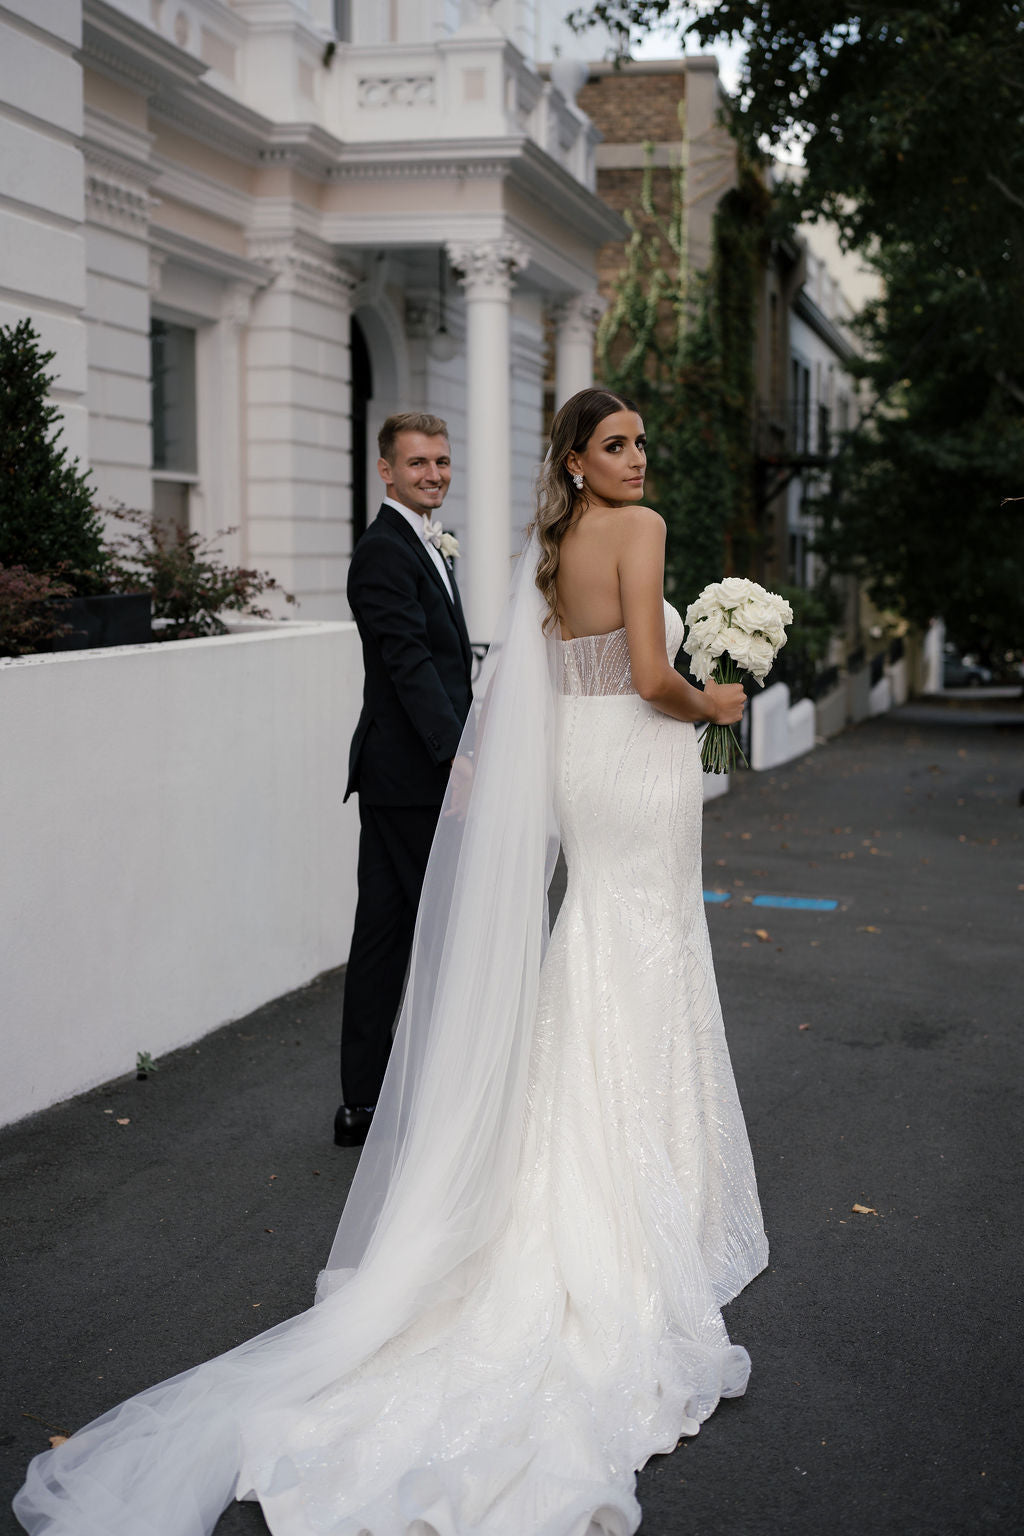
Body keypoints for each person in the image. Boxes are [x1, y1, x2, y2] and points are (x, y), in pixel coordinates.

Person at [14, 388, 768, 1536]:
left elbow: (557, 671)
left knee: (598, 934)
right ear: (575, 458)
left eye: (639, 445)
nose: (635, 459)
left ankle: (591, 1156)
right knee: (640, 933)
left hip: (579, 759)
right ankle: (643, 1179)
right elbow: (657, 682)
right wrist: (718, 693)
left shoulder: (548, 544)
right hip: (634, 756)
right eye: (613, 445)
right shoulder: (644, 528)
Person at [337, 412, 473, 1147]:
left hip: (400, 772)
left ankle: (362, 1104)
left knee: (386, 936)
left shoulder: (426, 544)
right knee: (448, 936)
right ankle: (439, 1099)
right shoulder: (384, 553)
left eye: (442, 462)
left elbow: (444, 662)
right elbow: (410, 663)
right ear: (386, 471)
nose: (433, 474)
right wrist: (458, 755)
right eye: (417, 463)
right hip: (414, 774)